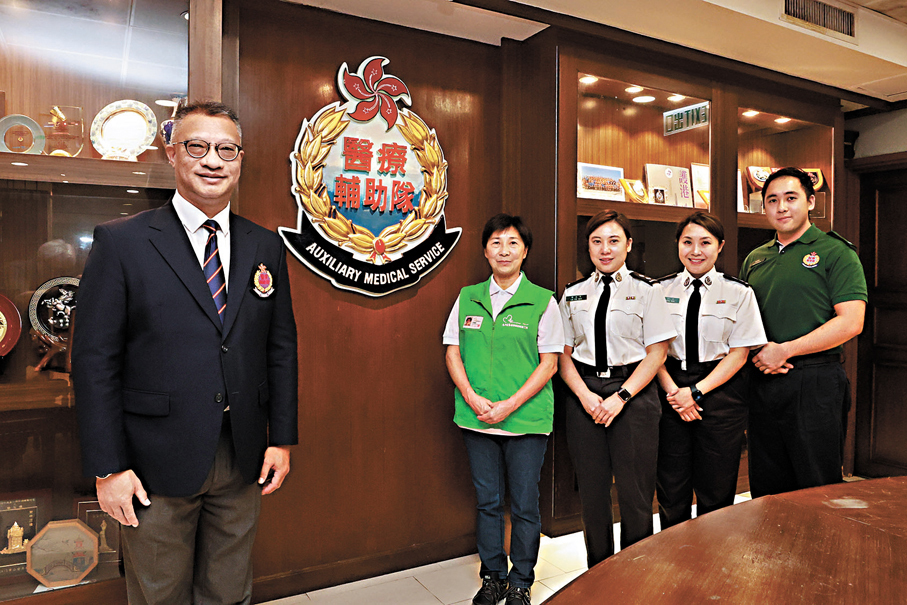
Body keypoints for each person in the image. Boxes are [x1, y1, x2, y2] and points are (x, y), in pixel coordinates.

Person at [72, 101, 298, 604]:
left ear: (240, 159)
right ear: (172, 154)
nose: (213, 161)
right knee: (159, 594)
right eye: (197, 147)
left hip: (241, 454)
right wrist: (108, 468)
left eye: (226, 150)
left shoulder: (264, 245)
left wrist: (281, 439)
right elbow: (94, 362)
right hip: (152, 460)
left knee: (229, 591)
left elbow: (280, 347)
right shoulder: (123, 241)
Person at [443, 214, 565, 605]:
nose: (504, 251)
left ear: (525, 251)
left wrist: (510, 404)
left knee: (525, 505)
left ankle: (521, 581)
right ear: (485, 251)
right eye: (496, 243)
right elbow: (453, 352)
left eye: (513, 243)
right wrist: (471, 397)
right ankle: (492, 576)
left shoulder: (543, 301)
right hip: (477, 418)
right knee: (488, 503)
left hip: (526, 421)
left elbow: (550, 364)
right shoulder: (468, 297)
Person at [740, 167, 867, 497]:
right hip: (763, 379)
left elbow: (851, 322)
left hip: (815, 381)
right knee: (766, 485)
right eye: (772, 200)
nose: (781, 207)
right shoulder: (755, 258)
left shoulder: (836, 252)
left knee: (816, 485)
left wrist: (786, 350)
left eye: (791, 198)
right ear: (764, 207)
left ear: (810, 202)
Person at [558, 210, 675, 567]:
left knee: (635, 492)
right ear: (588, 247)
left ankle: (634, 573)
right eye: (596, 241)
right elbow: (562, 355)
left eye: (613, 241)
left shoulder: (648, 290)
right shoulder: (573, 293)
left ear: (628, 245)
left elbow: (658, 353)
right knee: (592, 494)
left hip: (633, 394)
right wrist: (585, 396)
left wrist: (621, 397)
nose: (605, 249)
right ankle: (598, 572)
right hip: (585, 395)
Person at [654, 212, 766, 530]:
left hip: (721, 390)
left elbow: (740, 353)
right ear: (678, 244)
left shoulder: (739, 292)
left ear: (720, 246)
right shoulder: (658, 290)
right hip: (669, 387)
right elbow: (652, 351)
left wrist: (696, 392)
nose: (695, 251)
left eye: (705, 242)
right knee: (671, 484)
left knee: (716, 486)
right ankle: (673, 552)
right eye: (687, 242)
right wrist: (675, 393)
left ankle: (711, 553)